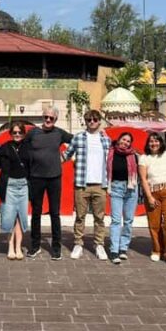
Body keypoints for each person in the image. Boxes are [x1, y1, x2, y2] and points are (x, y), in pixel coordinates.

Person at [24, 106, 72, 260]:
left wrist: (65, 157)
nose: (48, 120)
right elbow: (23, 148)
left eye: (51, 118)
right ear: (42, 117)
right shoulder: (33, 133)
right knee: (36, 213)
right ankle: (35, 245)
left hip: (54, 178)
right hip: (36, 178)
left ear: (56, 119)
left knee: (54, 213)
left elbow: (77, 141)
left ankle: (56, 248)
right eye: (46, 117)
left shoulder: (59, 133)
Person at [62, 109, 111, 261]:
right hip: (82, 184)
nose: (92, 122)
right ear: (85, 121)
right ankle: (78, 244)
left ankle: (99, 244)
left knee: (99, 217)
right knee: (80, 216)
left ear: (99, 121)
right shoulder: (78, 138)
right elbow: (65, 155)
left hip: (100, 184)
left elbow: (111, 161)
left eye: (95, 120)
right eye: (89, 120)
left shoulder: (106, 140)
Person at [138, 132, 166, 265]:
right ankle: (156, 250)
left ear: (161, 142)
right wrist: (149, 197)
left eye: (156, 141)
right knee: (154, 225)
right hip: (153, 192)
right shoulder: (144, 158)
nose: (154, 144)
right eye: (151, 141)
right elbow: (143, 179)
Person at [0, 121, 30, 260]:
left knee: (20, 218)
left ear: (23, 133)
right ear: (10, 134)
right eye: (14, 132)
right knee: (9, 218)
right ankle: (10, 246)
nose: (17, 135)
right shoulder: (4, 147)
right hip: (9, 185)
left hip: (24, 185)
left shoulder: (28, 148)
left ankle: (18, 247)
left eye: (20, 132)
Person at [106, 131, 140, 265]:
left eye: (128, 141)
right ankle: (114, 250)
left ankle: (123, 248)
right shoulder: (109, 152)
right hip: (116, 188)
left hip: (131, 188)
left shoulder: (134, 155)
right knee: (115, 220)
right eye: (123, 139)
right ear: (118, 139)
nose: (125, 143)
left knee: (128, 220)